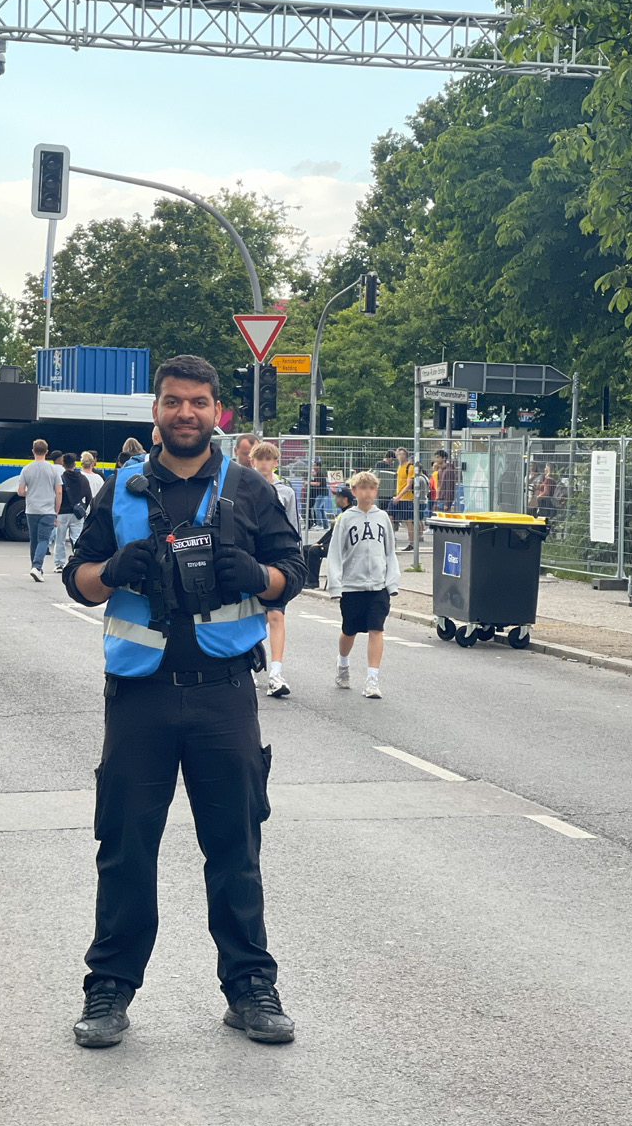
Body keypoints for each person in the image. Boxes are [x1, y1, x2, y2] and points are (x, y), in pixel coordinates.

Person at [64, 354, 305, 1049]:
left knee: (235, 848)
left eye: (198, 402)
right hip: (138, 698)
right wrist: (112, 571)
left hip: (222, 696)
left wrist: (256, 575)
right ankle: (109, 990)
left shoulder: (250, 488)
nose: (186, 413)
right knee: (125, 848)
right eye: (173, 401)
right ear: (156, 411)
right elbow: (77, 579)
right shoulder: (122, 488)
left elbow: (294, 571)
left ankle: (250, 988)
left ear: (216, 412)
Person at [326, 471, 399, 699]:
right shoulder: (346, 519)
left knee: (376, 629)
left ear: (375, 491)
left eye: (371, 488)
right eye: (362, 488)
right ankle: (343, 663)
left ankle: (372, 679)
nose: (367, 492)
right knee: (349, 630)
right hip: (352, 586)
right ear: (354, 492)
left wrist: (391, 582)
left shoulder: (382, 518)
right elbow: (335, 553)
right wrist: (335, 585)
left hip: (378, 586)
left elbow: (390, 552)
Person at [249, 441, 299, 698]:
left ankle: (276, 673)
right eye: (260, 459)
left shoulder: (285, 492)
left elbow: (293, 526)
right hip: (252, 558)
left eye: (269, 459)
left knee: (276, 614)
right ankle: (250, 663)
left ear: (276, 463)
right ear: (252, 462)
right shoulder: (244, 488)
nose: (265, 463)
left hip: (277, 559)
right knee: (253, 615)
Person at [17, 438, 62, 582]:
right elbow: (59, 491)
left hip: (31, 509)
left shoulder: (27, 469)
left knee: (34, 540)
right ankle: (37, 567)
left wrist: (30, 493)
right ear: (47, 452)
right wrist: (56, 510)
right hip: (48, 510)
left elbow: (20, 491)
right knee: (44, 539)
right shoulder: (53, 469)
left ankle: (35, 568)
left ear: (33, 451)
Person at [303, 482, 355, 588]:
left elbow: (337, 535)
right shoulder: (342, 514)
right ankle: (307, 580)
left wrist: (322, 545)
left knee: (314, 551)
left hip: (339, 547)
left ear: (345, 499)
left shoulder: (348, 515)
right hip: (332, 543)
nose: (335, 499)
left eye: (338, 497)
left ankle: (313, 582)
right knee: (306, 548)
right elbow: (331, 532)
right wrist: (318, 542)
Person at [54, 452, 93, 572]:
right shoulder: (83, 478)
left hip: (62, 512)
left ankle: (59, 564)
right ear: (75, 464)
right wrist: (83, 509)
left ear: (63, 464)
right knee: (76, 538)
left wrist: (55, 511)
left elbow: (57, 494)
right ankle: (78, 561)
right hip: (77, 514)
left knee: (60, 539)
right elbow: (89, 496)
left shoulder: (61, 478)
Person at [389, 447, 416, 550]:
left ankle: (411, 543)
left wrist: (399, 496)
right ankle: (392, 540)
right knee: (389, 517)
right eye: (398, 454)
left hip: (406, 498)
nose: (400, 456)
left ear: (406, 455)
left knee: (407, 520)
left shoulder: (410, 467)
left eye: (402, 454)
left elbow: (409, 484)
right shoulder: (399, 467)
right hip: (397, 496)